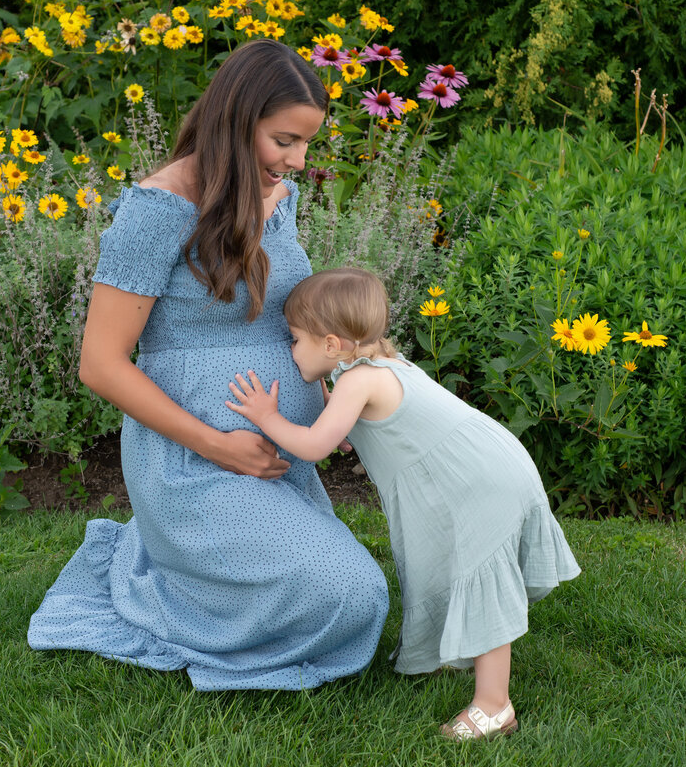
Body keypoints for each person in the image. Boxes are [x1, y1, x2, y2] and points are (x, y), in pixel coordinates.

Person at [26, 41, 390, 691]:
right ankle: (164, 579)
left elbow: (289, 317)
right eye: (284, 140)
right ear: (237, 118)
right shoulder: (157, 210)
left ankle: (193, 567)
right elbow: (100, 364)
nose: (299, 161)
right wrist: (219, 445)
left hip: (273, 460)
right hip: (194, 462)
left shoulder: (282, 198)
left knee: (360, 596)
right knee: (353, 594)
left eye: (306, 143)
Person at [224, 267, 581, 737]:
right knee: (453, 567)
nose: (291, 351)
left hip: (481, 483)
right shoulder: (383, 367)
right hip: (490, 464)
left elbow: (315, 446)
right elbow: (362, 432)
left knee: (479, 576)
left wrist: (267, 417)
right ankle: (451, 655)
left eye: (295, 339)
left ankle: (495, 706)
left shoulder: (359, 382)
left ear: (332, 345)